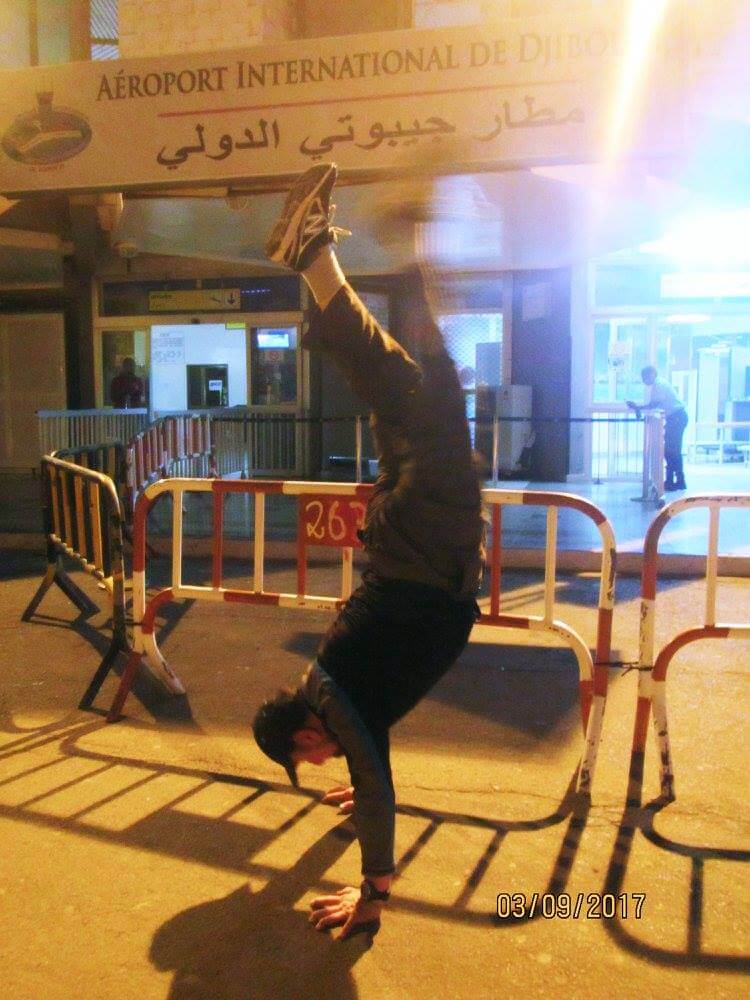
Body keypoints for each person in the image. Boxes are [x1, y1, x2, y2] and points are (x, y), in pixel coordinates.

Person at [252, 162, 485, 940]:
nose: (319, 764)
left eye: (310, 759)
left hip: (426, 540)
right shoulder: (334, 692)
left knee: (432, 385)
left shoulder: (337, 705)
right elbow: (369, 756)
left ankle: (392, 243)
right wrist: (361, 767)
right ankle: (332, 255)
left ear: (306, 735)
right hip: (407, 538)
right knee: (405, 382)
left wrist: (374, 893)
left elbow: (378, 785)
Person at [627, 365, 688, 491]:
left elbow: (654, 404)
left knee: (671, 450)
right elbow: (655, 404)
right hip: (677, 417)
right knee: (673, 450)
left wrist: (639, 407)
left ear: (652, 374)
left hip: (676, 418)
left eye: (645, 377)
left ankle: (675, 481)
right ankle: (676, 481)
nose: (643, 380)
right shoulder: (659, 384)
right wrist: (639, 407)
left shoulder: (658, 385)